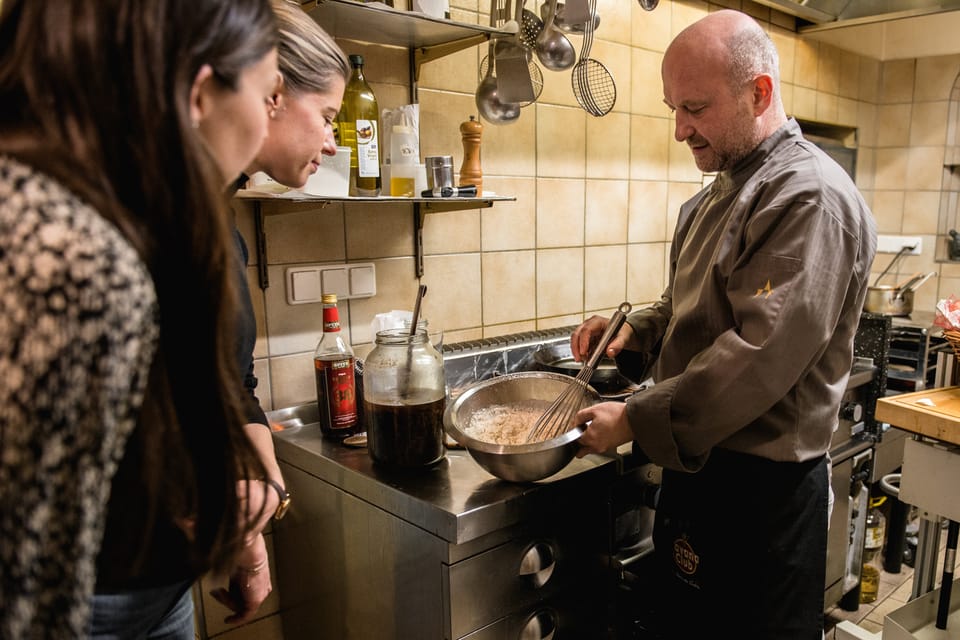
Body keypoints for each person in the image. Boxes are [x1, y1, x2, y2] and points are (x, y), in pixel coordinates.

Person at [570, 10, 876, 639]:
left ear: (758, 92)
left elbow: (756, 354)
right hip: (699, 477)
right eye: (673, 108)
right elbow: (698, 306)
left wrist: (633, 419)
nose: (680, 129)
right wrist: (638, 332)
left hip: (760, 498)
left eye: (696, 108)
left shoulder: (806, 195)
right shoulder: (727, 187)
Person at [0, 0, 279, 637]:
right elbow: (30, 584)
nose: (261, 134)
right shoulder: (74, 257)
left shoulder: (57, 201)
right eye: (267, 96)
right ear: (200, 96)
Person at [204, 0, 349, 624]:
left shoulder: (221, 228)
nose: (332, 141)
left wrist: (256, 531)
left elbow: (231, 388)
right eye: (327, 116)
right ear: (271, 90)